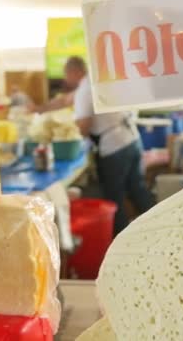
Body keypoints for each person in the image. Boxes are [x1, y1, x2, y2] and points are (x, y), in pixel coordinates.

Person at [65, 56, 155, 236]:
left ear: (74, 72)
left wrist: (68, 133)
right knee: (138, 190)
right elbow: (65, 100)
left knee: (115, 198)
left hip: (114, 148)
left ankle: (122, 241)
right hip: (131, 139)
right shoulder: (100, 81)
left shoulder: (84, 89)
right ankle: (159, 229)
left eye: (67, 75)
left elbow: (84, 125)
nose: (66, 80)